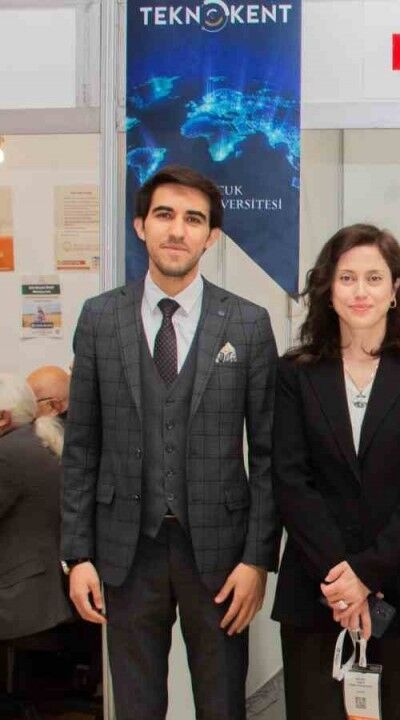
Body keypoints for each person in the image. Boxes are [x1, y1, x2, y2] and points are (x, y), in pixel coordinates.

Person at [60, 165, 279, 720]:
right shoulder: (99, 318)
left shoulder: (248, 324)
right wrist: (78, 555)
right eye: (164, 215)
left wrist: (257, 560)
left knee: (222, 705)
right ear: (141, 226)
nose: (177, 230)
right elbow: (81, 446)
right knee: (136, 707)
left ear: (212, 236)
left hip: (221, 557)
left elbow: (270, 455)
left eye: (193, 219)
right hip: (125, 551)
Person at [271, 224, 400, 720]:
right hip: (318, 592)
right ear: (328, 290)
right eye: (347, 277)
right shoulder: (294, 373)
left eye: (374, 278)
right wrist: (341, 579)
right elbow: (290, 480)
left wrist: (366, 574)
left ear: (395, 290)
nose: (360, 291)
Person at [0, 373, 72, 641]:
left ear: (3, 417)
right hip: (41, 590)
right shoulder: (36, 439)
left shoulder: (7, 453)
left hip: (17, 597)